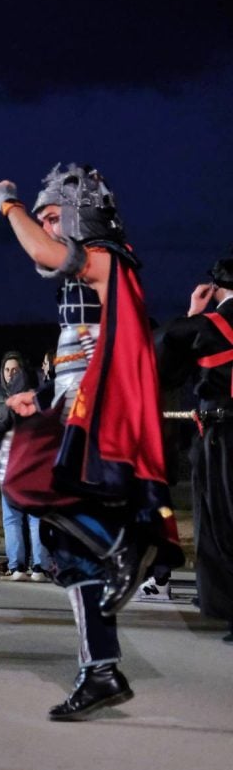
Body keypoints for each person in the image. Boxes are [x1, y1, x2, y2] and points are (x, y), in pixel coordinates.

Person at [0, 163, 184, 719]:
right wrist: (42, 395)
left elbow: (44, 253)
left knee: (17, 470)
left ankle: (123, 547)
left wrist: (10, 205)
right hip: (73, 403)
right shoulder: (97, 269)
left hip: (95, 411)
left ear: (81, 214)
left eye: (54, 216)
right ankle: (100, 670)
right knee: (68, 548)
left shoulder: (106, 258)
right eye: (43, 217)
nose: (47, 227)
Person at [156, 256, 233, 641]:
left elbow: (164, 364)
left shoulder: (209, 326)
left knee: (223, 521)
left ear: (216, 287)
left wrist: (191, 312)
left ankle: (225, 603)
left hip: (224, 434)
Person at [0, 352, 52, 581]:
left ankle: (17, 566)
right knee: (36, 518)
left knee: (12, 518)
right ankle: (40, 566)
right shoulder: (42, 403)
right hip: (37, 470)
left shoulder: (11, 406)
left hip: (12, 469)